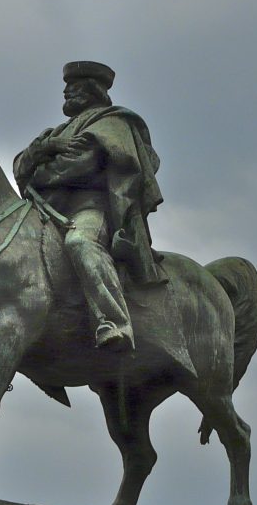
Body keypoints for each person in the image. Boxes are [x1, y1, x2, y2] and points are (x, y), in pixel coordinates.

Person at [14, 61, 165, 352]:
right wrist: (42, 149)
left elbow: (79, 165)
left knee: (81, 243)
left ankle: (115, 322)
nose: (66, 94)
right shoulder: (57, 131)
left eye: (74, 88)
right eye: (66, 88)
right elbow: (19, 165)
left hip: (89, 209)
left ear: (93, 91)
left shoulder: (111, 123)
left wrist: (40, 168)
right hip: (46, 212)